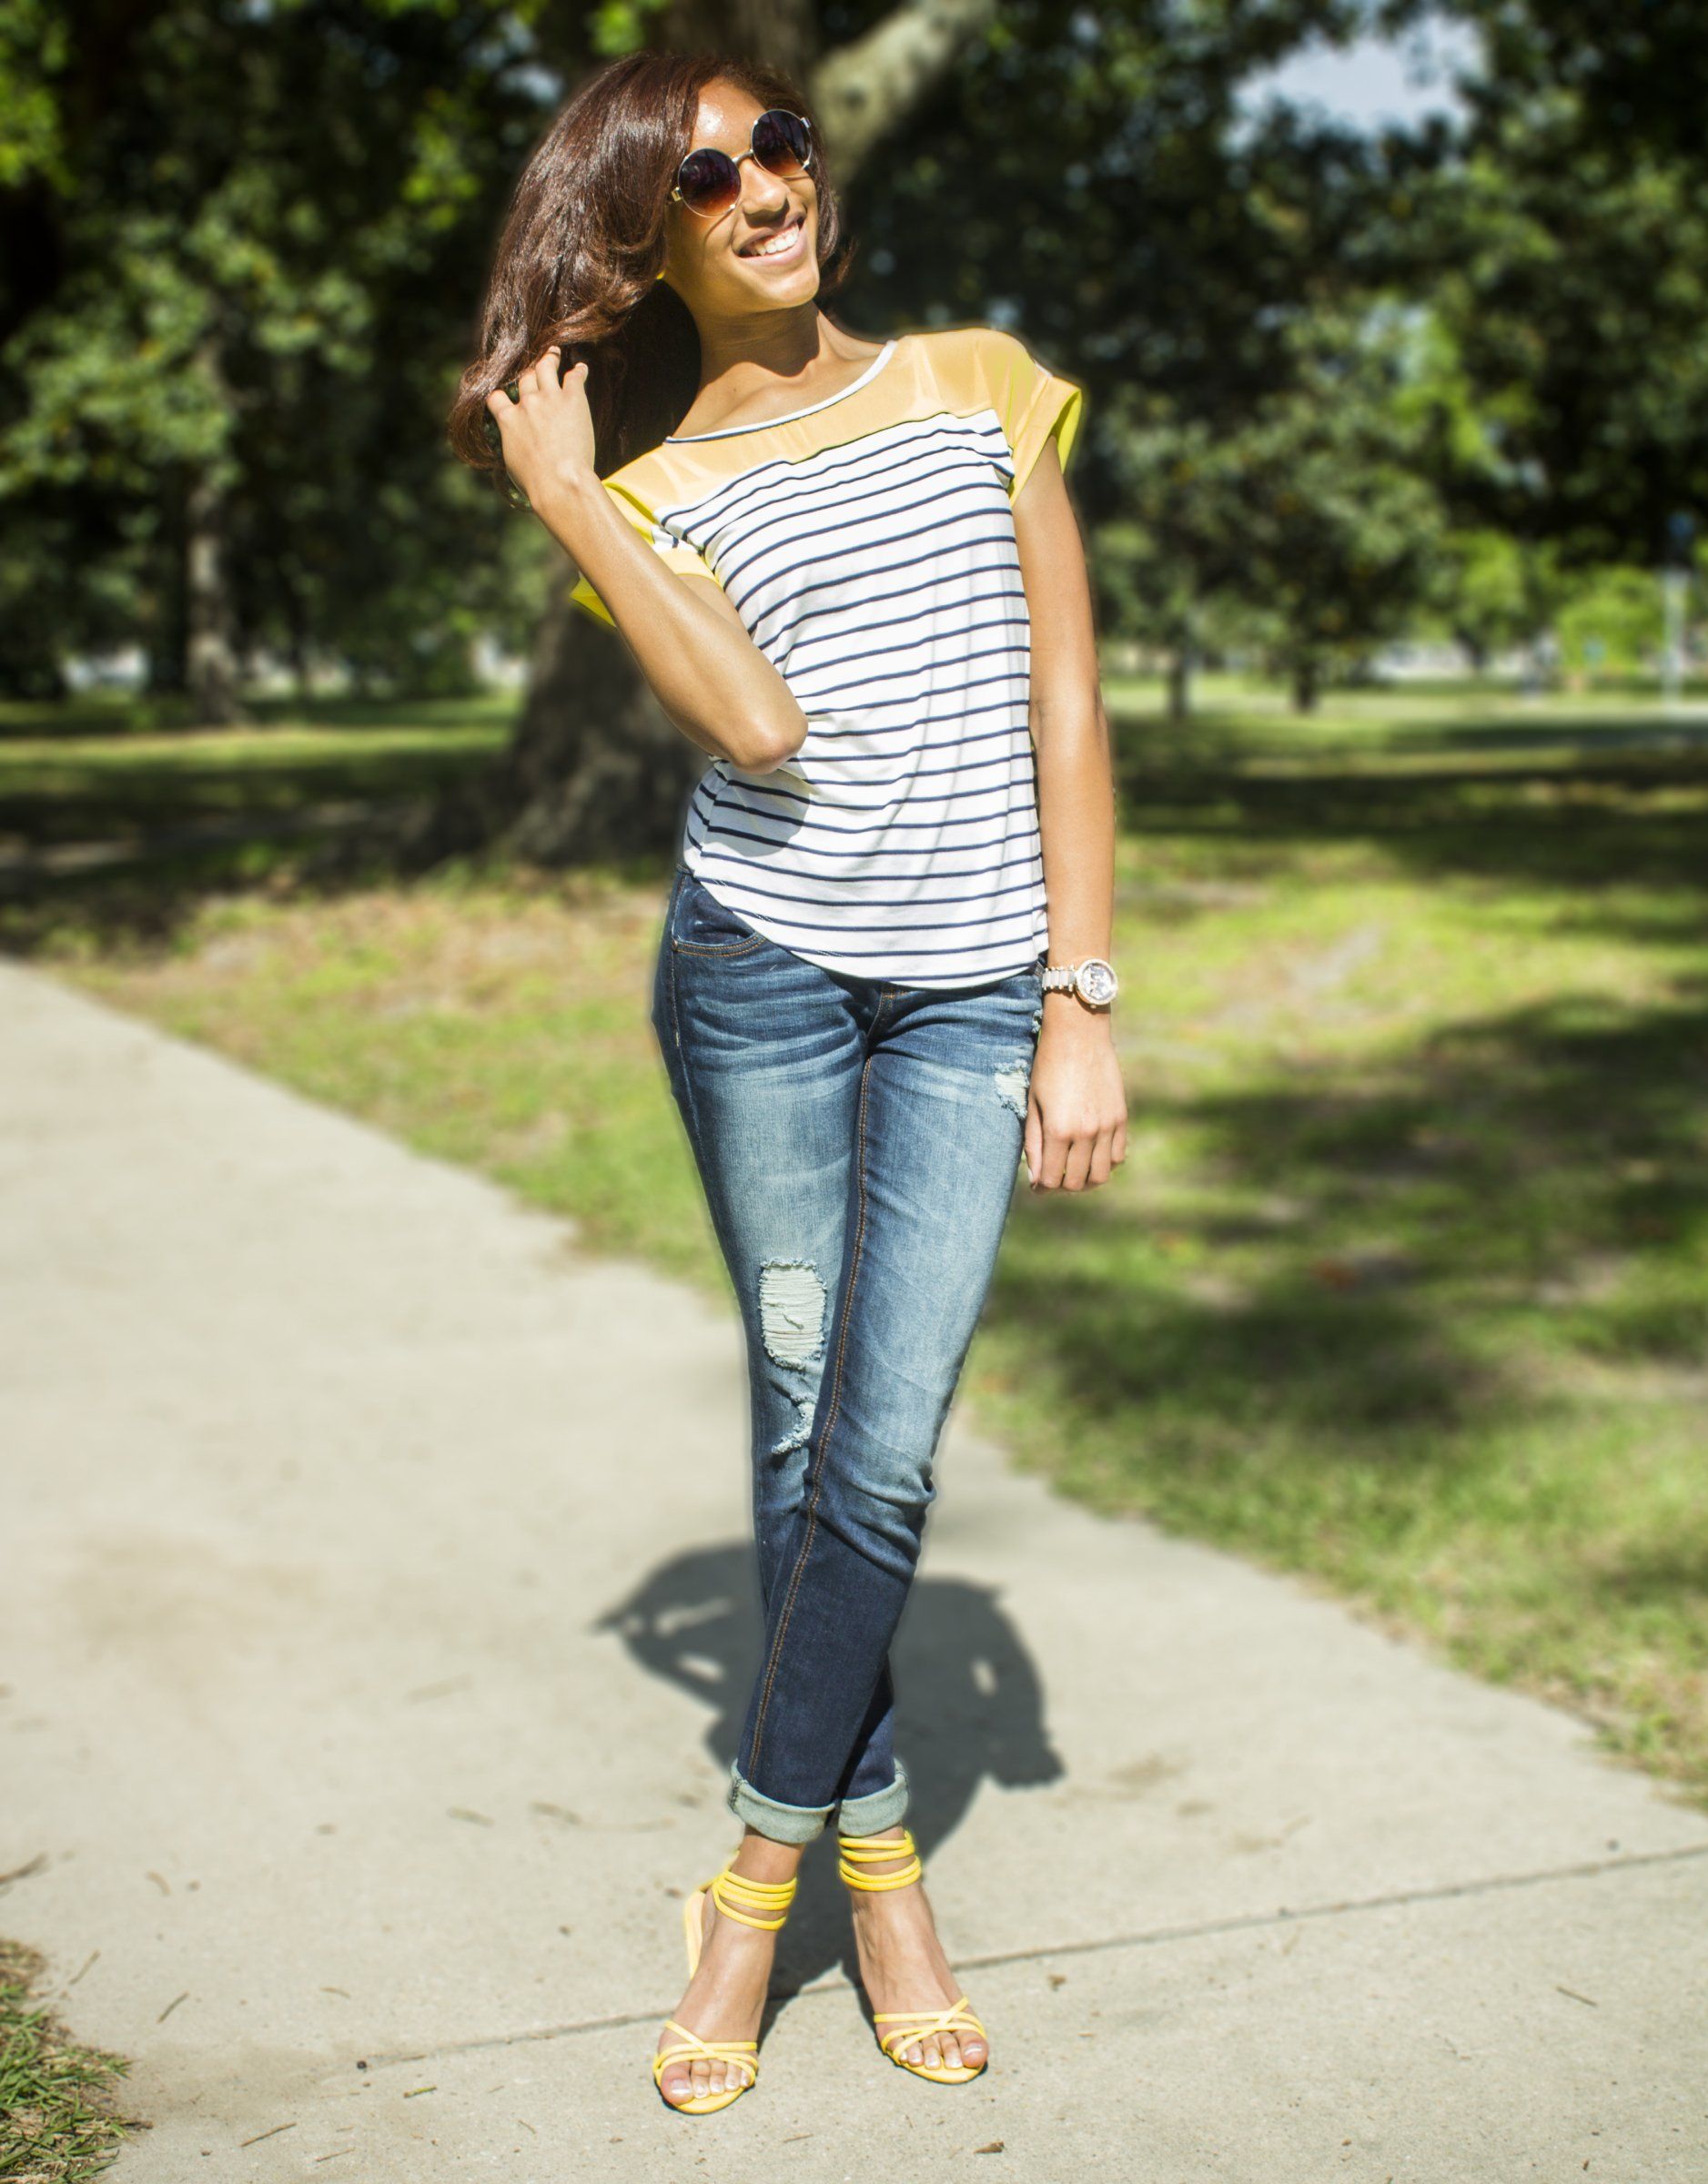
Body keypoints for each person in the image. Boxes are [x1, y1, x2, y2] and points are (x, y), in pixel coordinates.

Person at [451, 46, 1126, 2118]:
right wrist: (566, 486)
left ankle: (760, 1884)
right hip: (757, 980)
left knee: (888, 1451)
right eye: (706, 177)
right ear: (643, 241)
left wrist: (1080, 992)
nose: (765, 190)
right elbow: (756, 728)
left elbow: (1069, 693)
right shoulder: (652, 498)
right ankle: (888, 1872)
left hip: (970, 993)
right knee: (800, 1424)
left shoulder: (980, 379)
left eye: (783, 147)